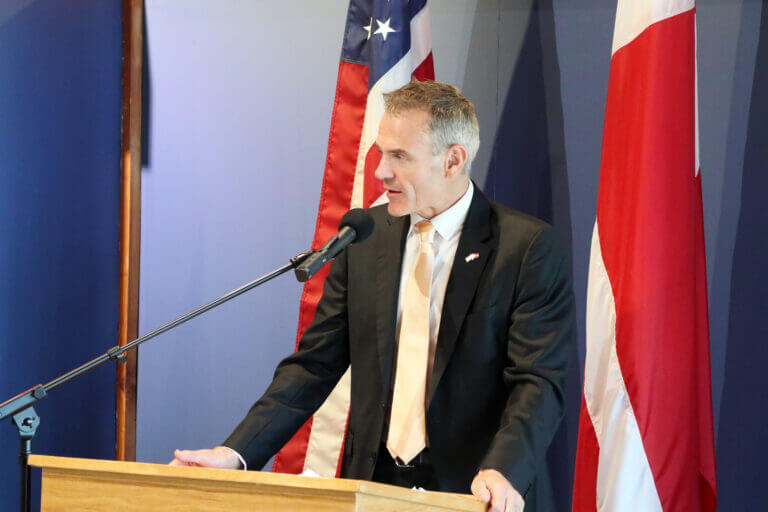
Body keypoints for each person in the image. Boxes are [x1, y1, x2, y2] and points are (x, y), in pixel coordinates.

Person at [171, 81, 574, 512]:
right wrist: (236, 454)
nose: (381, 171)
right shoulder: (363, 237)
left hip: (476, 493)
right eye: (383, 152)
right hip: (372, 489)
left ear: (453, 160)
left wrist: (503, 469)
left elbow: (537, 382)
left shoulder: (526, 247)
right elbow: (313, 367)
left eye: (400, 156)